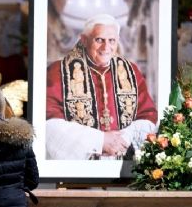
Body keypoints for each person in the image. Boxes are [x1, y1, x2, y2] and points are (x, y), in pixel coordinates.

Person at [45, 13, 158, 160]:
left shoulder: (131, 71)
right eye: (99, 40)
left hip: (122, 164)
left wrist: (123, 139)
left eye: (112, 41)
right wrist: (99, 141)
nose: (106, 47)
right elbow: (49, 123)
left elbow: (148, 115)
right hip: (80, 167)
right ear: (84, 40)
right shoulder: (58, 71)